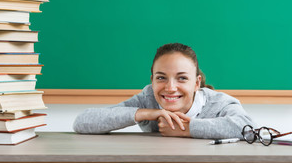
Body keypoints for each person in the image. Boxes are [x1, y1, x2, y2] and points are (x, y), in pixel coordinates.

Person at [73, 43, 255, 139]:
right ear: (152, 81)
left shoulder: (218, 103)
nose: (170, 88)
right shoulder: (148, 98)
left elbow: (248, 129)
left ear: (196, 83)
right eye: (161, 77)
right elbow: (82, 122)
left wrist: (188, 130)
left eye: (182, 78)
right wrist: (147, 113)